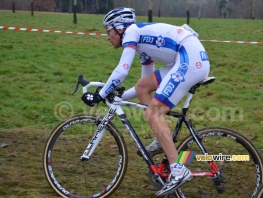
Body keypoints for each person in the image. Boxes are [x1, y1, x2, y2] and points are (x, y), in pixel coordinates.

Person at [81, 7, 210, 197]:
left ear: (119, 28)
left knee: (153, 113)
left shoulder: (132, 32)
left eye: (108, 31)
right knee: (143, 88)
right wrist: (116, 97)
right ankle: (161, 139)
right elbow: (144, 85)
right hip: (185, 56)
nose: (107, 37)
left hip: (188, 58)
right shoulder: (141, 43)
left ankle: (177, 170)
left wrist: (100, 94)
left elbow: (122, 70)